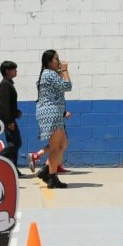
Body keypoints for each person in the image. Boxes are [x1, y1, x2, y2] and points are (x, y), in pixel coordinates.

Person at [29, 50, 72, 189]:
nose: (58, 61)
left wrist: (60, 71)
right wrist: (65, 70)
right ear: (49, 62)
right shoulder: (49, 74)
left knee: (63, 144)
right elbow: (67, 86)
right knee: (55, 147)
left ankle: (46, 171)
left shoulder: (48, 74)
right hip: (51, 113)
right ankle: (52, 178)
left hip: (54, 113)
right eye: (56, 59)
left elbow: (58, 87)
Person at [0, 60, 23, 173]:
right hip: (7, 120)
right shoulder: (5, 84)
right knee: (15, 144)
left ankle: (13, 170)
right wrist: (9, 121)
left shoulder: (8, 83)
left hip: (10, 118)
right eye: (14, 69)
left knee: (14, 143)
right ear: (7, 71)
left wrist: (16, 112)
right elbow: (5, 105)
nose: (16, 71)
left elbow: (10, 104)